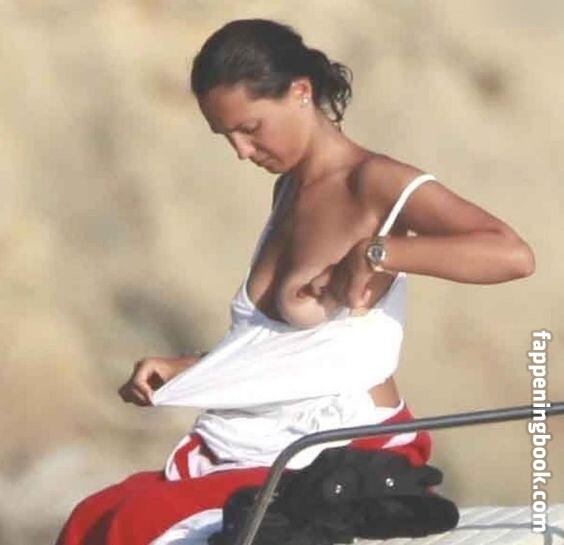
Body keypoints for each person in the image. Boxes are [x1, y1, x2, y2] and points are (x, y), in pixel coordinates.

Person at [54, 18, 535, 545]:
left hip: (338, 441)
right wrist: (188, 368)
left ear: (301, 92)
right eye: (226, 136)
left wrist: (377, 253)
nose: (241, 150)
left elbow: (511, 254)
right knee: (90, 516)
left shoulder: (373, 182)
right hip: (264, 437)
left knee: (133, 525)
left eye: (250, 128)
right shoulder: (288, 189)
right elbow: (287, 345)